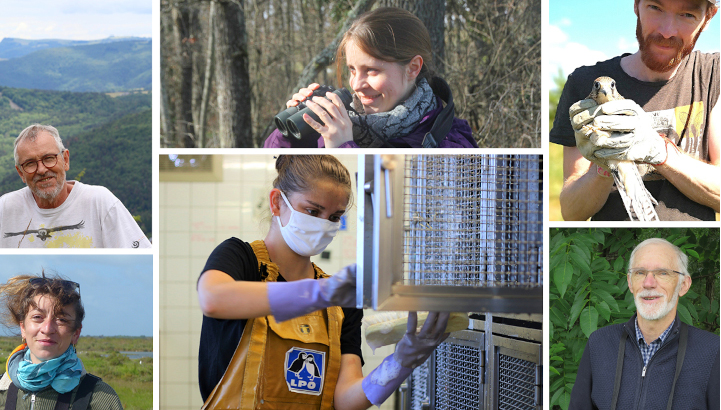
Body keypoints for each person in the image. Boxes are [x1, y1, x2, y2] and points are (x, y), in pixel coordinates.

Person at [197, 155, 450, 409]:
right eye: (313, 211)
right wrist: (321, 293)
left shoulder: (340, 303)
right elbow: (213, 298)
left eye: (334, 217)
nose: (322, 224)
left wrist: (401, 362)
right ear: (277, 202)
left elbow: (345, 401)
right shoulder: (241, 259)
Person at [550, 0, 720, 221]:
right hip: (610, 249)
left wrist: (660, 152)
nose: (667, 32)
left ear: (709, 16)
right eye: (656, 8)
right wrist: (602, 166)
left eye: (687, 14)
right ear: (636, 4)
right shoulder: (582, 83)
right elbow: (571, 212)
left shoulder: (713, 75)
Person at [263, 7, 478, 148]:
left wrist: (344, 149)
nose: (356, 85)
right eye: (352, 70)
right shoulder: (338, 122)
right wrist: (291, 133)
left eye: (372, 71)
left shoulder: (451, 142)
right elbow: (278, 168)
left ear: (412, 68)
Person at [570, 238, 719, 409]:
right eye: (640, 272)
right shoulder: (600, 343)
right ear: (630, 282)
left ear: (683, 285)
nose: (648, 283)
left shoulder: (712, 353)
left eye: (662, 273)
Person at [0, 124, 151, 248]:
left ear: (65, 160)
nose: (42, 170)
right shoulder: (5, 209)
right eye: (30, 164)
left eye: (49, 158)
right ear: (20, 173)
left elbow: (142, 260)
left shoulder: (99, 202)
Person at [0, 273, 124, 410]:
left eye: (61, 320)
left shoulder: (100, 398)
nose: (47, 329)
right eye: (37, 317)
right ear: (23, 327)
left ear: (76, 333)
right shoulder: (2, 390)